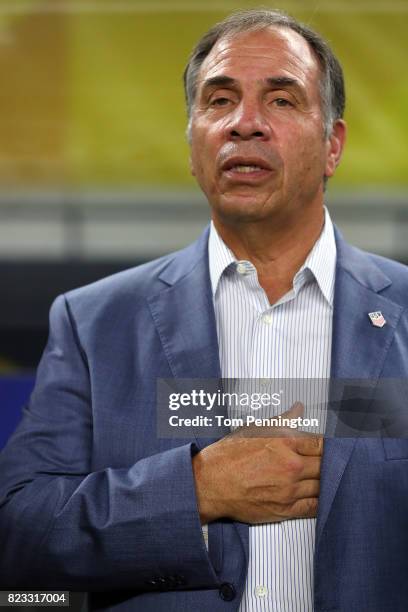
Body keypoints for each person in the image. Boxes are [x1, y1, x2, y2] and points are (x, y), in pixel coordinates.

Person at [1, 8, 408, 612]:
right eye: (219, 101)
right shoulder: (93, 325)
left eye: (282, 100)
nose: (245, 124)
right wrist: (195, 490)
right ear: (192, 145)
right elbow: (19, 533)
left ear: (334, 145)